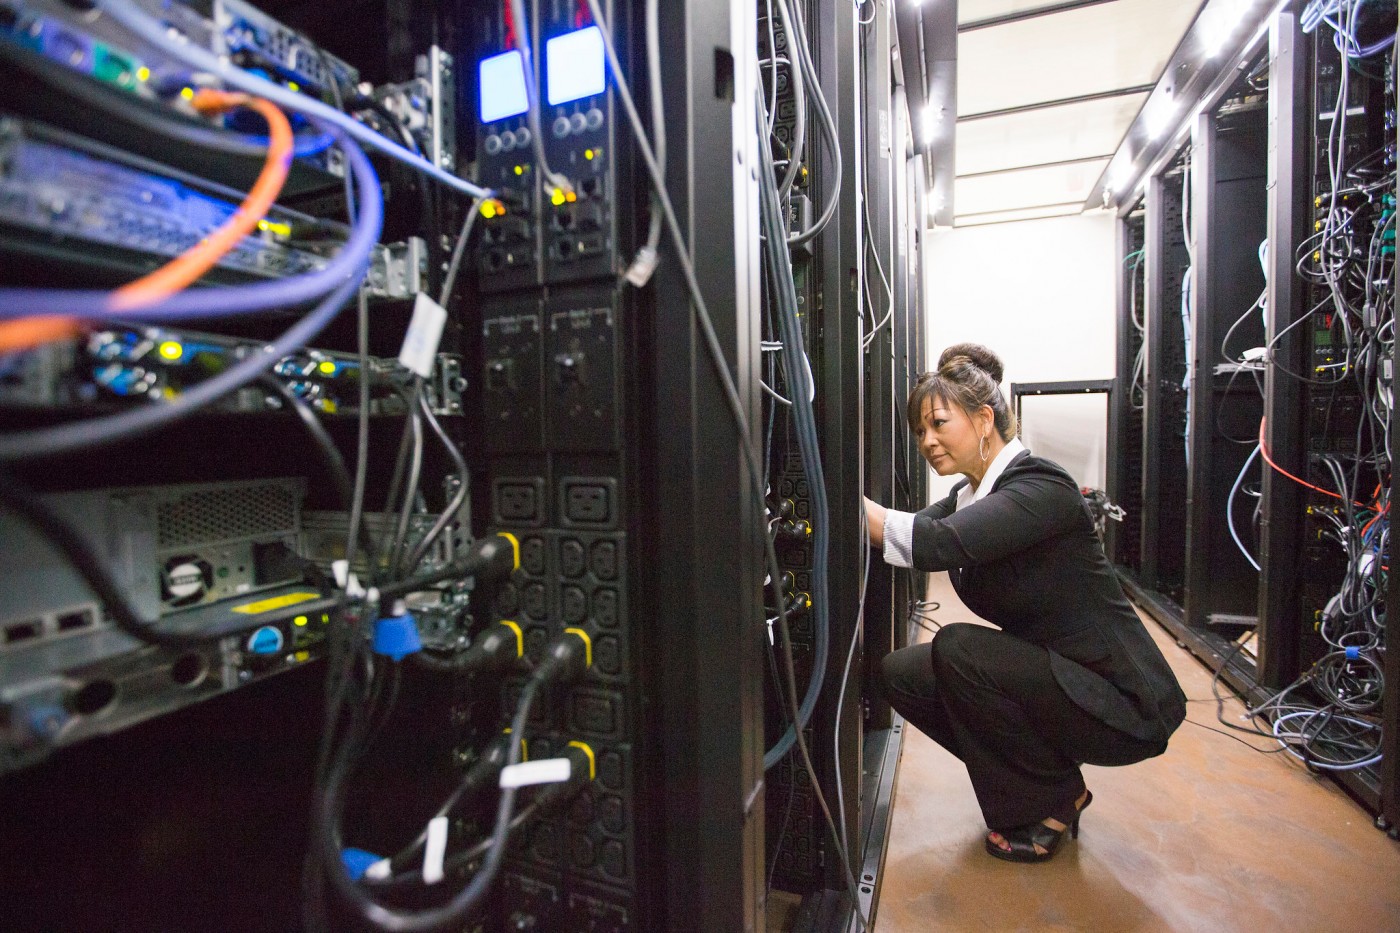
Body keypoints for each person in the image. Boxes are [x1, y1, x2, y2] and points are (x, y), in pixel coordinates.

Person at [865, 344, 1186, 863]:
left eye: (938, 424)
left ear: (984, 419)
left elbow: (937, 544)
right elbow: (920, 529)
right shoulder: (972, 494)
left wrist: (832, 491)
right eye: (919, 430)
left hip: (1122, 700)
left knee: (958, 649)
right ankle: (1054, 783)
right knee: (903, 672)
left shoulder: (1041, 486)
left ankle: (1052, 800)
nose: (926, 441)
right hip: (1062, 679)